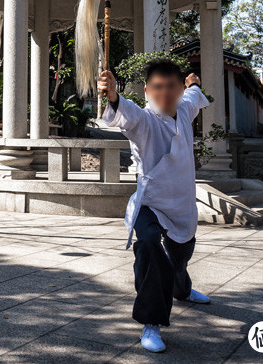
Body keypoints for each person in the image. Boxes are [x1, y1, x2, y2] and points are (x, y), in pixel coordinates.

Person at [97, 59, 211, 353]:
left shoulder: (185, 108)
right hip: (151, 203)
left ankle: (182, 290)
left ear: (177, 88)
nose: (164, 94)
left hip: (182, 204)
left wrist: (194, 82)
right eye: (157, 88)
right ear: (147, 91)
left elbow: (194, 94)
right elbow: (126, 112)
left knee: (180, 258)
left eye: (171, 86)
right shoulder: (144, 120)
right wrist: (112, 95)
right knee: (149, 246)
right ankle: (151, 322)